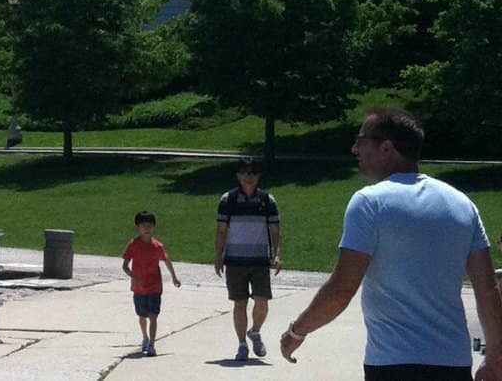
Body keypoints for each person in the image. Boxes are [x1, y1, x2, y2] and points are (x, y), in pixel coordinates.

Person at [279, 108, 502, 379]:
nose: (354, 148)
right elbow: (487, 291)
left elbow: (342, 289)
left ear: (386, 148)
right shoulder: (463, 205)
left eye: (360, 139)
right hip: (452, 364)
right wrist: (494, 359)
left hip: (394, 364)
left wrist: (297, 331)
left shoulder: (370, 202)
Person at [214, 157, 283, 361]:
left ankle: (255, 331)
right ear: (238, 176)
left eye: (253, 173)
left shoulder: (267, 200)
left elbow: (275, 231)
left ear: (258, 176)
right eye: (245, 172)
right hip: (235, 261)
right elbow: (221, 230)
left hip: (260, 260)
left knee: (262, 301)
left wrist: (278, 254)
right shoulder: (228, 200)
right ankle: (242, 344)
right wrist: (218, 255)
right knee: (239, 303)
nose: (249, 177)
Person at [122, 209, 181, 357]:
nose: (146, 228)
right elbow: (125, 265)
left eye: (149, 225)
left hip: (154, 286)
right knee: (142, 316)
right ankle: (145, 337)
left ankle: (152, 345)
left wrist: (174, 277)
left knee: (153, 315)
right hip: (138, 287)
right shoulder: (133, 245)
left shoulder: (157, 246)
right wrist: (132, 276)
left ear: (154, 227)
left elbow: (166, 260)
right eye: (143, 225)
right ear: (138, 227)